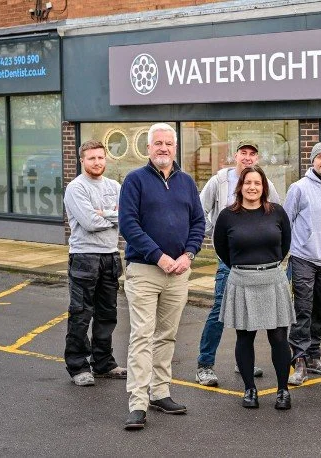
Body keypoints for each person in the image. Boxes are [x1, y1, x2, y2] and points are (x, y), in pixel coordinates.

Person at [119, 123, 205, 430]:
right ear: (148, 147)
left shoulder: (186, 182)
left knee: (166, 335)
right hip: (144, 270)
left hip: (179, 272)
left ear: (175, 148)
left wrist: (188, 255)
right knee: (142, 335)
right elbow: (128, 225)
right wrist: (159, 256)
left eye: (169, 143)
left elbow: (198, 222)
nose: (163, 148)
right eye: (158, 143)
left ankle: (160, 392)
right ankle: (138, 402)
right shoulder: (135, 181)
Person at [196, 139, 281, 387]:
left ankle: (242, 361)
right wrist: (212, 233)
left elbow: (277, 214)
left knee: (249, 315)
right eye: (243, 153)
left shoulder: (266, 184)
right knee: (219, 312)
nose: (247, 157)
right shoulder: (220, 180)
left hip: (257, 265)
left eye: (252, 154)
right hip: (229, 262)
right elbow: (199, 210)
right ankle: (205, 364)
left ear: (257, 159)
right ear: (235, 156)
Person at [213, 165, 294, 410]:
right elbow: (221, 248)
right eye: (248, 183)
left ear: (264, 187)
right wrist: (244, 268)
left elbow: (285, 243)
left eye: (257, 183)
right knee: (244, 337)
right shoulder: (228, 216)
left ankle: (283, 390)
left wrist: (267, 267)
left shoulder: (277, 213)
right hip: (242, 280)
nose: (252, 187)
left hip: (272, 279)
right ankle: (249, 389)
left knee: (279, 337)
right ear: (240, 186)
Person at [63, 140, 126, 386]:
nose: (97, 162)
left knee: (107, 314)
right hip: (84, 257)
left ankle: (103, 363)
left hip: (110, 256)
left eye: (100, 157)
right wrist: (112, 216)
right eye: (91, 158)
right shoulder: (76, 188)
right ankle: (78, 366)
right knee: (80, 314)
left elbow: (128, 215)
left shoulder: (115, 186)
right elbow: (89, 223)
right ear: (82, 161)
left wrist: (104, 214)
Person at [284, 142, 321, 385]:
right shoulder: (298, 188)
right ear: (312, 161)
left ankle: (314, 357)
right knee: (302, 310)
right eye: (320, 157)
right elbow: (285, 223)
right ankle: (299, 361)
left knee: (320, 311)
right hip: (303, 258)